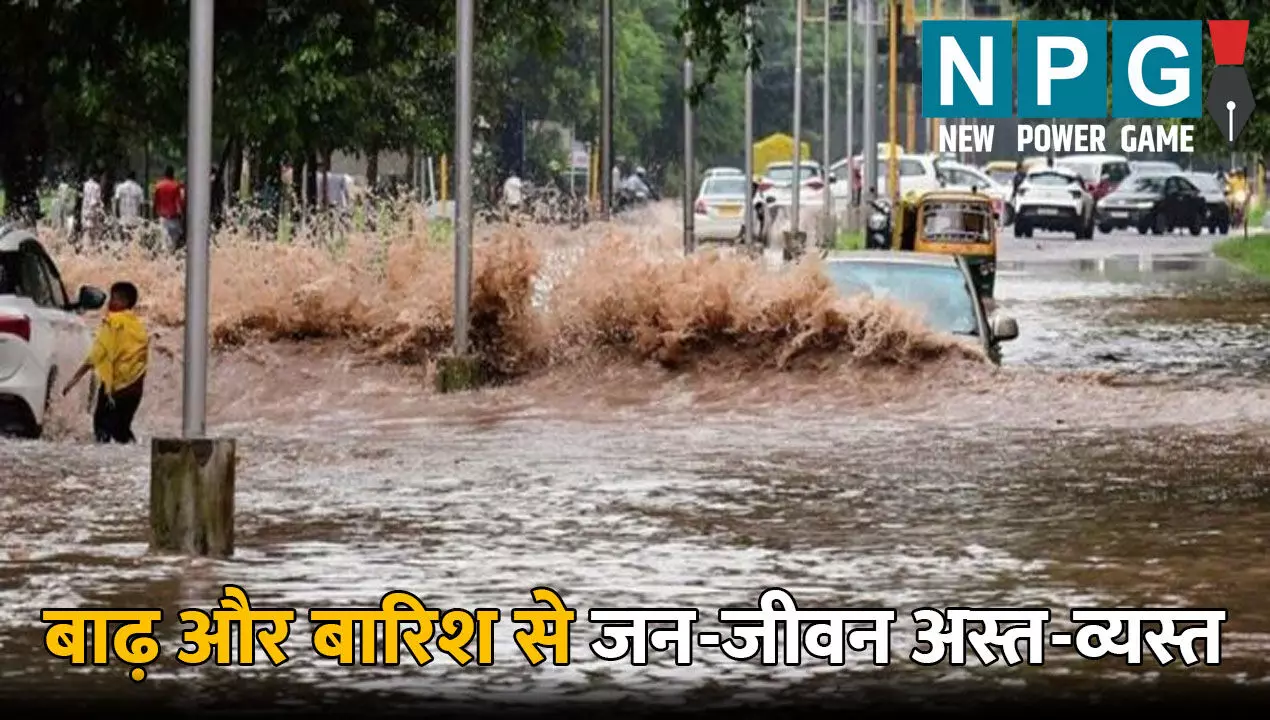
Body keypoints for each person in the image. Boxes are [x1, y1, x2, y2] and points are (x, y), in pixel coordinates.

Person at [62, 281, 150, 444]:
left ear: (124, 302)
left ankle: (103, 466)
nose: (109, 302)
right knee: (122, 431)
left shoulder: (113, 322)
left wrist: (75, 379)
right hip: (135, 389)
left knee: (101, 428)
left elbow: (98, 353)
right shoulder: (138, 327)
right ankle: (131, 461)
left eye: (114, 299)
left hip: (115, 390)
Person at [153, 166, 185, 251]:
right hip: (174, 218)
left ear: (164, 174)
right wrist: (182, 215)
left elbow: (155, 202)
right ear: (173, 174)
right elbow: (179, 202)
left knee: (165, 242)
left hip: (163, 218)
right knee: (173, 244)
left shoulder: (158, 186)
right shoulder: (176, 186)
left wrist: (154, 215)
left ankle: (166, 260)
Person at [81, 172, 104, 243]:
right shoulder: (97, 186)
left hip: (85, 209)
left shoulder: (85, 185)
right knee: (93, 229)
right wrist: (101, 205)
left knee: (86, 229)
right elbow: (97, 199)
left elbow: (84, 196)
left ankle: (86, 246)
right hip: (93, 210)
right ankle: (92, 245)